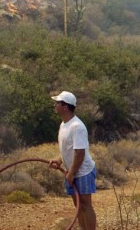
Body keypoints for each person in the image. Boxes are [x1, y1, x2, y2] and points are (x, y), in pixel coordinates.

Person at [48, 91, 97, 230]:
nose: (55, 105)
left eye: (57, 103)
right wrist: (59, 160)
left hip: (83, 171)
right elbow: (68, 149)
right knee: (78, 206)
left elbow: (80, 152)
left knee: (85, 205)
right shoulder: (64, 124)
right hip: (72, 171)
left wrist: (72, 173)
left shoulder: (77, 126)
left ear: (65, 107)